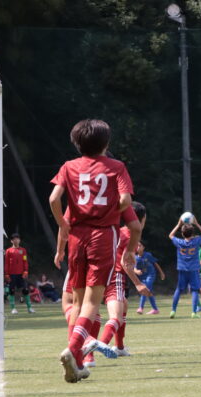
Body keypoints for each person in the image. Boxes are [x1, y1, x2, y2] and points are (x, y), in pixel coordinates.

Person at [49, 118, 136, 383]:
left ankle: (76, 362)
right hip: (102, 235)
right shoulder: (116, 167)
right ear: (106, 142)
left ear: (77, 143)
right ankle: (74, 350)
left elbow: (54, 198)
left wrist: (62, 223)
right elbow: (125, 200)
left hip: (77, 236)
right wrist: (108, 211)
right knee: (92, 302)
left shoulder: (68, 166)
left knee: (76, 302)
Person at [88, 201, 152, 367]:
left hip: (101, 274)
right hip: (115, 276)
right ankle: (100, 344)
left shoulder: (119, 231)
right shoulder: (131, 235)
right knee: (115, 316)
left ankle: (120, 347)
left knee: (123, 306)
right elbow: (124, 263)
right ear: (141, 219)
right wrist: (138, 284)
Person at [168, 216, 201, 319]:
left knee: (179, 289)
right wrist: (197, 223)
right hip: (193, 269)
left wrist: (178, 224)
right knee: (194, 290)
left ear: (182, 233)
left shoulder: (179, 242)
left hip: (182, 269)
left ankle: (173, 311)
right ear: (192, 233)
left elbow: (171, 235)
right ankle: (194, 312)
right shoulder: (196, 241)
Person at [4, 233, 34, 314]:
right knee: (11, 290)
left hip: (21, 274)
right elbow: (6, 263)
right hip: (12, 274)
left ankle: (29, 308)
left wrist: (26, 271)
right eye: (14, 239)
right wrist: (6, 274)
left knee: (25, 290)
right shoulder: (8, 251)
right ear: (11, 241)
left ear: (19, 240)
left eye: (17, 239)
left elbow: (25, 261)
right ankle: (13, 308)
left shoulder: (23, 250)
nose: (16, 240)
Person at [135, 241, 165, 314]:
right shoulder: (135, 258)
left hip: (151, 275)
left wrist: (161, 272)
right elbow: (134, 268)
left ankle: (141, 308)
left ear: (143, 247)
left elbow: (155, 263)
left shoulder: (148, 255)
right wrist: (136, 271)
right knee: (149, 292)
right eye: (136, 246)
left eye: (140, 245)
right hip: (142, 278)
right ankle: (155, 309)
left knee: (145, 289)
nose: (138, 247)